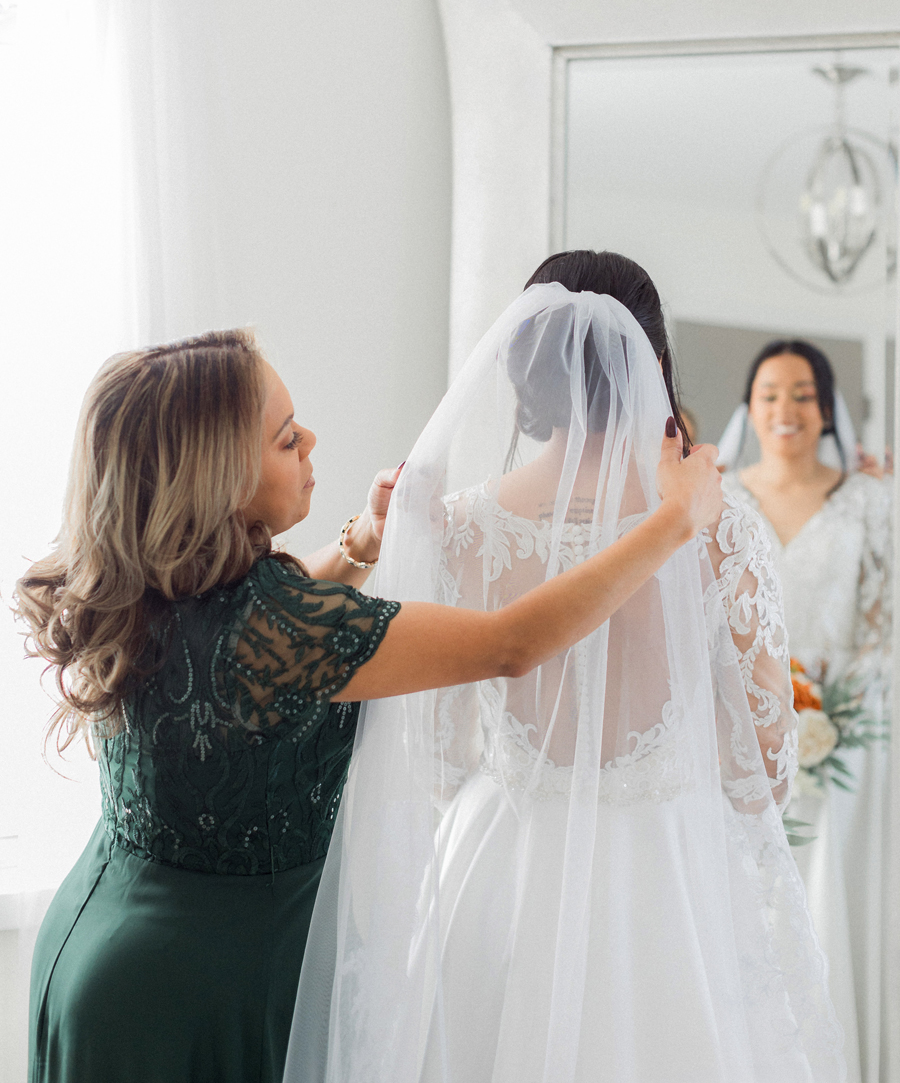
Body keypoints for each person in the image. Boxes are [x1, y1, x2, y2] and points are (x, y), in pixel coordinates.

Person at [14, 327, 721, 1083]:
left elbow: (265, 643)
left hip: (100, 941)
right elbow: (513, 643)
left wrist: (359, 544)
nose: (311, 439)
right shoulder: (269, 620)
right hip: (196, 989)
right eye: (287, 440)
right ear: (216, 479)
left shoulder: (153, 579)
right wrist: (673, 521)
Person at [287, 252, 844, 1083]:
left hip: (504, 872)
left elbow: (437, 754)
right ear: (654, 367)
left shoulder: (462, 527)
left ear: (523, 371)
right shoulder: (718, 526)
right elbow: (764, 764)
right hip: (670, 884)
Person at [721, 339, 891, 1083]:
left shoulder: (871, 501)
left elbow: (884, 628)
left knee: (832, 908)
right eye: (769, 395)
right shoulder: (720, 498)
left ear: (826, 409)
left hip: (846, 743)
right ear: (749, 409)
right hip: (741, 749)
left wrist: (830, 703)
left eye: (801, 394)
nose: (785, 410)